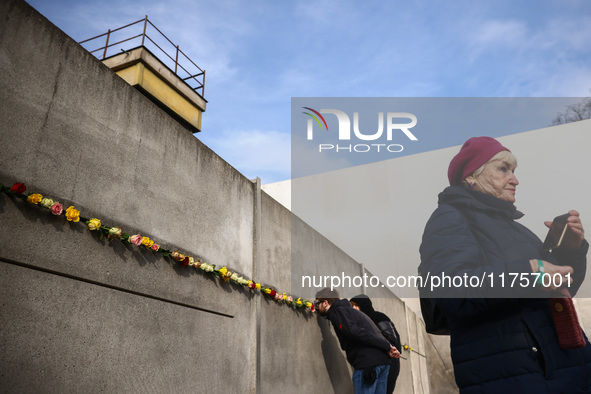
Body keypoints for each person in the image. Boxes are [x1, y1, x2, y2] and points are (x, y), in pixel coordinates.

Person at [418, 136, 591, 393]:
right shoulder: (449, 218)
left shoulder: (513, 227)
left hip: (562, 369)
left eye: (514, 171)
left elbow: (559, 290)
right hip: (517, 376)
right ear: (470, 177)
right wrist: (529, 273)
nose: (515, 179)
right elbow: (452, 291)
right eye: (503, 169)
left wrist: (569, 249)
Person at [316, 288, 401, 394]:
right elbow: (372, 332)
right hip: (382, 363)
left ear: (325, 303)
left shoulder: (336, 311)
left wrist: (388, 347)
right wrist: (387, 346)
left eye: (317, 303)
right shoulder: (350, 312)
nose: (317, 307)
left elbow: (353, 331)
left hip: (368, 364)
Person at [350, 294, 401, 394]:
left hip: (388, 363)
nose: (354, 308)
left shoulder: (378, 317)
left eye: (356, 305)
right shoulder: (360, 322)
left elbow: (391, 339)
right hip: (377, 364)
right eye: (352, 306)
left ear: (365, 305)